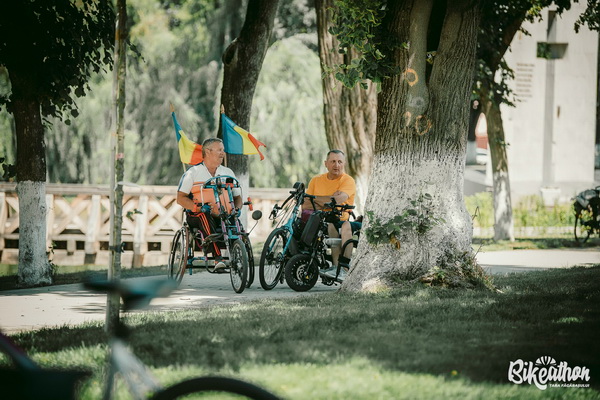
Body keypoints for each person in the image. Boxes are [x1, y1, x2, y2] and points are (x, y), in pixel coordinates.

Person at [177, 138, 242, 270]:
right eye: (219, 150)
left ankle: (240, 256)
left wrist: (237, 208)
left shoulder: (227, 172)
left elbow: (238, 197)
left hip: (224, 214)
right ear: (208, 151)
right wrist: (198, 208)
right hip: (198, 214)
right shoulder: (193, 173)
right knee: (204, 216)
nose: (223, 153)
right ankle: (217, 258)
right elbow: (180, 198)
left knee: (236, 225)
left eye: (223, 150)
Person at [303, 149, 361, 280]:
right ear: (326, 164)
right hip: (318, 219)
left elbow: (337, 200)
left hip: (339, 219)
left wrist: (316, 200)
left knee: (334, 225)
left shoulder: (348, 180)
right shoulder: (316, 180)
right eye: (333, 161)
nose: (336, 165)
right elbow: (305, 204)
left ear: (344, 163)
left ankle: (341, 268)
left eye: (340, 162)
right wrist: (329, 199)